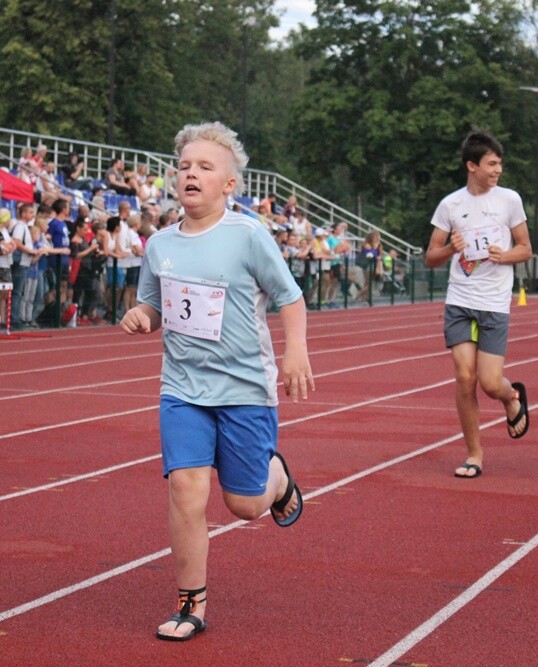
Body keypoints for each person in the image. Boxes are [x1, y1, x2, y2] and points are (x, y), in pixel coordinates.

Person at [120, 122, 314, 642]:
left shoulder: (248, 236)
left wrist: (295, 348)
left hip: (245, 389)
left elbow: (289, 297)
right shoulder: (159, 243)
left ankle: (277, 480)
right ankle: (191, 602)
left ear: (229, 184)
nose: (191, 174)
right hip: (182, 388)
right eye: (185, 166)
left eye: (205, 167)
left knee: (245, 506)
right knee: (185, 487)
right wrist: (141, 315)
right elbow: (154, 303)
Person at [424, 131, 533, 479]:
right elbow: (430, 257)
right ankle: (474, 453)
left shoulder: (509, 200)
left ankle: (511, 396)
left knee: (489, 382)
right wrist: (450, 250)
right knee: (463, 376)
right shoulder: (450, 205)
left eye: (499, 163)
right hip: (460, 299)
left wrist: (506, 256)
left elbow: (526, 248)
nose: (498, 169)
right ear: (472, 166)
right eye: (491, 164)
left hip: (494, 301)